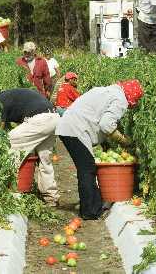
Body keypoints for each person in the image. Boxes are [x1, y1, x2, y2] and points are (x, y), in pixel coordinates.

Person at [55, 79, 143, 220]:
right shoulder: (120, 100)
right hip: (76, 130)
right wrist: (125, 141)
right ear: (132, 97)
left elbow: (96, 115)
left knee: (86, 167)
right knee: (87, 169)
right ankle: (90, 211)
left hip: (69, 126)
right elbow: (106, 124)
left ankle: (93, 205)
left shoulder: (107, 91)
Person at [0, 88, 60, 207]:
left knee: (8, 142)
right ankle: (51, 197)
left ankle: (11, 192)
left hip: (39, 119)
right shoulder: (14, 95)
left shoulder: (0, 100)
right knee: (44, 159)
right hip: (54, 117)